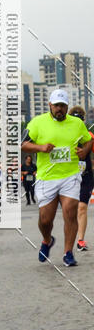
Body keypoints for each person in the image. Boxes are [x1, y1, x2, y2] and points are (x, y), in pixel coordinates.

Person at [21, 89, 92, 267]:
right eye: (56, 105)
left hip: (70, 176)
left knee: (70, 211)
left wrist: (84, 151)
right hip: (47, 177)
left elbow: (88, 140)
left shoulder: (76, 123)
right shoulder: (37, 123)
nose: (59, 109)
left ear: (67, 107)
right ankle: (47, 240)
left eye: (62, 106)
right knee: (45, 220)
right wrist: (41, 147)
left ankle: (68, 252)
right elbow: (23, 144)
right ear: (50, 105)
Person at [68, 106, 94, 252]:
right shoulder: (64, 135)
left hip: (86, 176)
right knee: (70, 210)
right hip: (68, 177)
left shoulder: (89, 136)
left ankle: (81, 240)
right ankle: (70, 238)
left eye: (80, 120)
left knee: (82, 208)